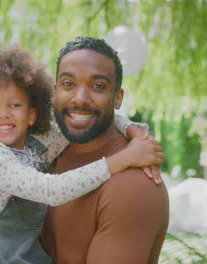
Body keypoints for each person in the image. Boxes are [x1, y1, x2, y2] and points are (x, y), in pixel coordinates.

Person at [0, 44, 164, 264]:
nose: (4, 114)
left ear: (31, 115)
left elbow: (87, 116)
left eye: (15, 105)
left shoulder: (38, 144)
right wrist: (125, 158)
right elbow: (51, 190)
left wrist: (135, 134)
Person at [41, 36, 169, 263]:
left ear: (117, 98)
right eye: (68, 84)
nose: (79, 98)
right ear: (55, 91)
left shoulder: (132, 185)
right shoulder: (48, 150)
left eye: (97, 86)